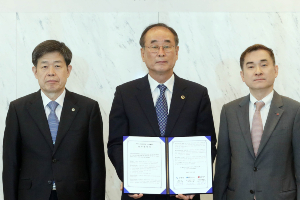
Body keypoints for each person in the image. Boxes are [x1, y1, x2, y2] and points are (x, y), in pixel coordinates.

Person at [108, 23, 216, 200]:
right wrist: (128, 177)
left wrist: (194, 183)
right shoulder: (125, 93)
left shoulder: (197, 94)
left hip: (183, 195)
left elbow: (207, 144)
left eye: (167, 46)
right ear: (143, 53)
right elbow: (115, 143)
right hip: (140, 195)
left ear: (177, 51)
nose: (161, 52)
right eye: (153, 46)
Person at [2, 40, 106, 200]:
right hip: (32, 194)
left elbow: (96, 164)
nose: (51, 72)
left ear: (68, 70)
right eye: (44, 66)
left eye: (57, 66)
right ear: (35, 71)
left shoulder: (88, 108)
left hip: (75, 194)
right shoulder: (18, 109)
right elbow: (10, 163)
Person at [213, 44, 300, 200]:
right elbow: (222, 166)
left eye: (264, 65)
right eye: (251, 66)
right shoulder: (229, 111)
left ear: (276, 70)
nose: (258, 71)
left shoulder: (294, 110)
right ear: (242, 75)